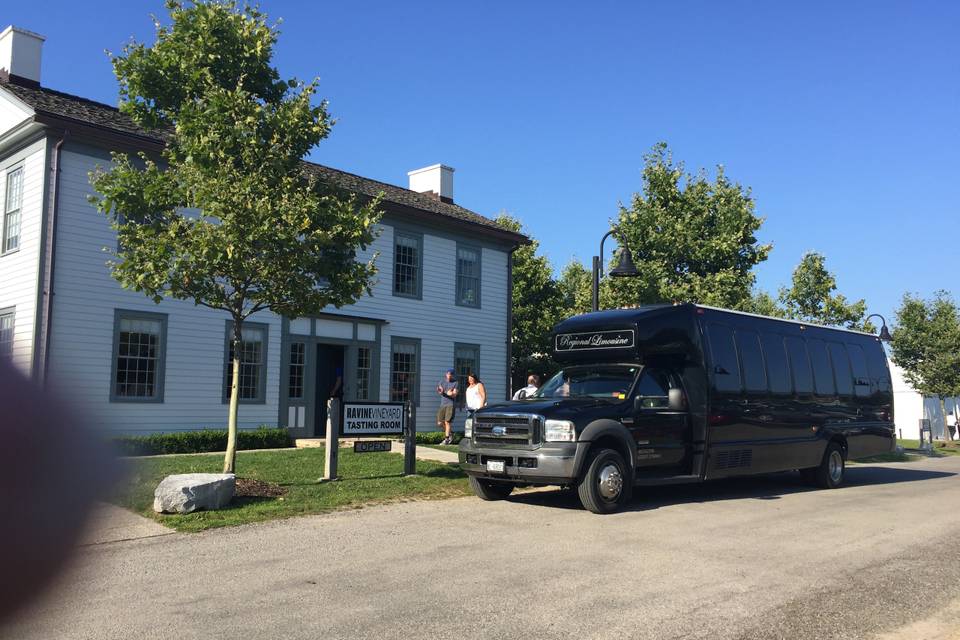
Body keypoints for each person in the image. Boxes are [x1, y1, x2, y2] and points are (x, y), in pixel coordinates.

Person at [436, 369, 458, 444]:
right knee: (439, 422)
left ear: (453, 375)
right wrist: (440, 391)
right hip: (443, 404)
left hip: (450, 404)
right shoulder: (441, 382)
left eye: (451, 374)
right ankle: (451, 434)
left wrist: (451, 394)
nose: (449, 375)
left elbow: (455, 394)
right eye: (448, 374)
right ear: (446, 374)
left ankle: (447, 439)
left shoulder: (455, 383)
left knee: (447, 422)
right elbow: (439, 390)